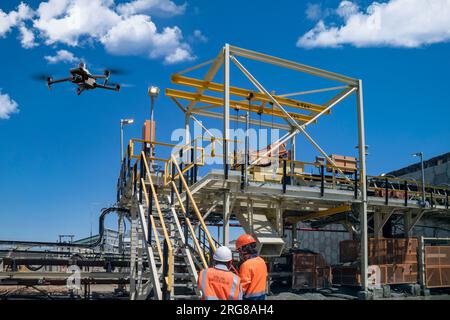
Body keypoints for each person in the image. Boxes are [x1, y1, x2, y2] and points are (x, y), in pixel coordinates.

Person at [236, 234, 268, 300]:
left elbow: (242, 289)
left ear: (243, 250)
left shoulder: (246, 265)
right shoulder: (262, 261)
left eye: (239, 250)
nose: (240, 253)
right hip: (262, 297)